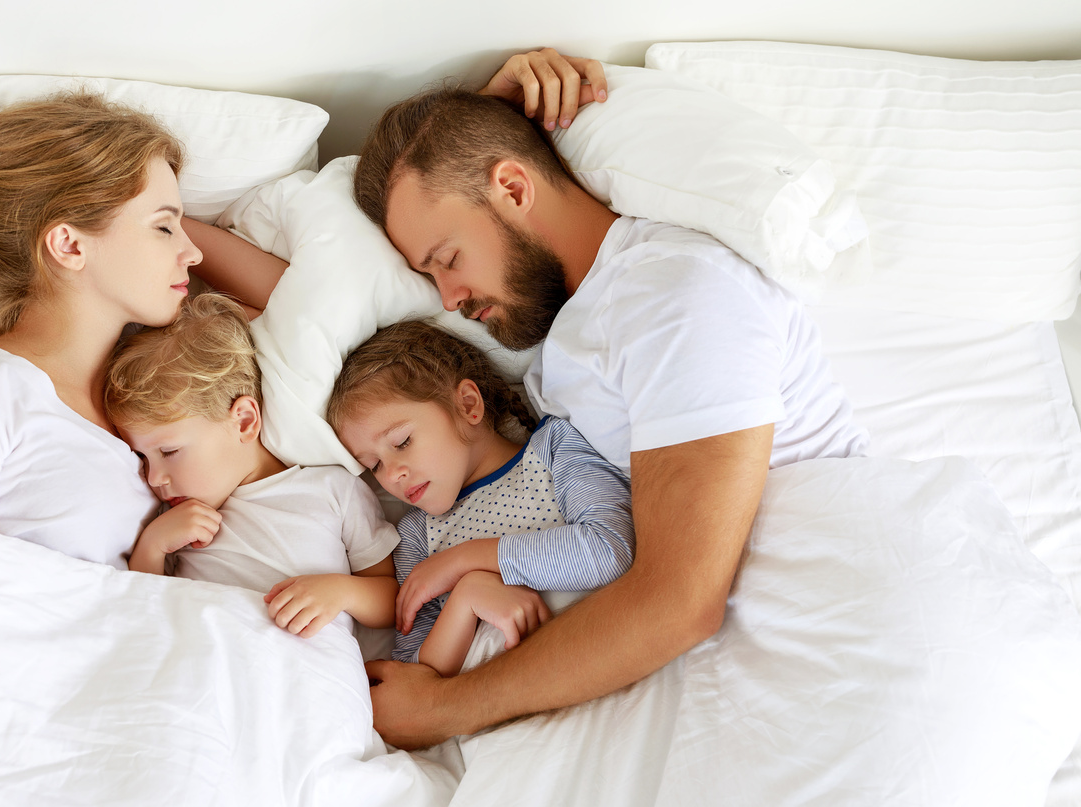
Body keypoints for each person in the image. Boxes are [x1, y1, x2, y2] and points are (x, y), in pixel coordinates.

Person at [351, 49, 870, 747]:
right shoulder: (577, 322)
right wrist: (474, 117)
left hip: (840, 612)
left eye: (446, 259)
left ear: (512, 187)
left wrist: (447, 707)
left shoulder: (675, 296)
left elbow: (679, 602)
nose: (450, 299)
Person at [0, 91, 288, 568]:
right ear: (68, 244)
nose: (194, 254)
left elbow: (289, 302)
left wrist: (157, 215)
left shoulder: (158, 380)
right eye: (164, 228)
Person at [327, 319, 634, 677]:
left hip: (604, 657)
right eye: (374, 465)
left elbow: (612, 550)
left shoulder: (554, 449)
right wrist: (467, 598)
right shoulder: (416, 536)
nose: (392, 474)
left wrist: (463, 562)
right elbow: (413, 675)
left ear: (467, 405)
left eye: (402, 442)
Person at [104, 292, 400, 638]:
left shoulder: (332, 489)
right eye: (141, 457)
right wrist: (151, 547)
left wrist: (341, 591)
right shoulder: (172, 526)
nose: (155, 478)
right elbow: (147, 612)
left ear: (244, 421)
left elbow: (391, 601)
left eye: (168, 452)